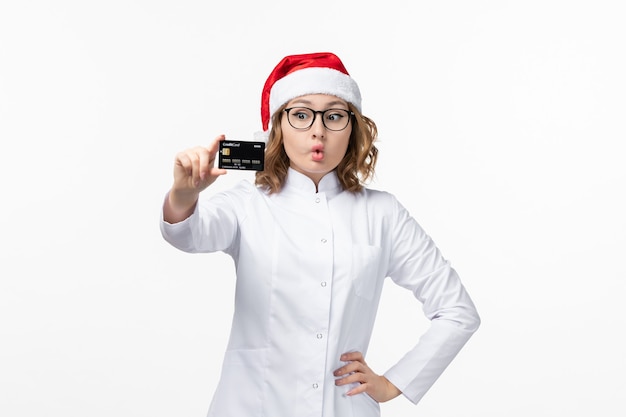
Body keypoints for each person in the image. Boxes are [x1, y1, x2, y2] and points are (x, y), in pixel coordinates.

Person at [160, 52, 480, 417]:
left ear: (353, 127)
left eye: (334, 115)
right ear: (278, 127)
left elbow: (458, 311)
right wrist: (184, 195)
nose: (318, 130)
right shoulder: (247, 204)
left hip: (343, 408)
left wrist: (394, 383)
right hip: (252, 404)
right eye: (301, 114)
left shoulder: (383, 213)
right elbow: (188, 234)